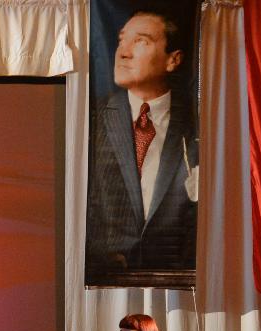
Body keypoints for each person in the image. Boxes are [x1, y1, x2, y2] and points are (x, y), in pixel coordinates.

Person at [85, 8, 198, 282]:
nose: (123, 52)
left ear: (173, 60)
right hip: (106, 283)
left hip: (176, 285)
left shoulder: (197, 125)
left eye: (141, 41)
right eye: (122, 40)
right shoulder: (93, 121)